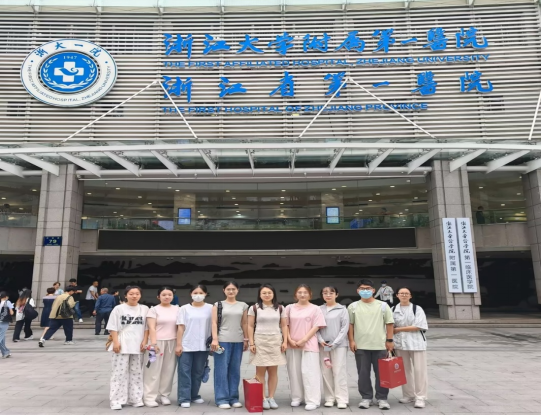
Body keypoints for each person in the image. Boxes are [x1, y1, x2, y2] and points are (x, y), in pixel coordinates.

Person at [348, 279, 394, 410]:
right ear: (357, 291)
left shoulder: (383, 306)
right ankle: (366, 397)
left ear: (373, 290)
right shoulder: (353, 306)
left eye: (368, 288)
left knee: (382, 374)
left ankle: (382, 398)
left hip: (380, 345)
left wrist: (389, 340)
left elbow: (389, 323)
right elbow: (350, 325)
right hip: (361, 346)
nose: (365, 291)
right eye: (362, 288)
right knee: (363, 373)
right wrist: (351, 341)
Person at [107, 286, 149, 411]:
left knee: (137, 372)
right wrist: (116, 342)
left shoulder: (144, 309)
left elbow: (147, 328)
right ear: (125, 295)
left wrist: (145, 341)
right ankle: (116, 400)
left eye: (137, 294)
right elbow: (113, 327)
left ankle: (135, 398)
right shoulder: (118, 309)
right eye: (131, 294)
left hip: (138, 345)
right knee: (119, 373)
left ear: (140, 295)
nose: (134, 296)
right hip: (122, 344)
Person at [284, 284, 326, 411]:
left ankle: (312, 400)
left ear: (310, 294)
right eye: (300, 292)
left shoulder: (316, 309)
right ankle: (297, 397)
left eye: (305, 292)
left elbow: (316, 326)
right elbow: (285, 325)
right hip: (292, 344)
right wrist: (289, 340)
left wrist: (303, 340)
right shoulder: (289, 308)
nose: (302, 295)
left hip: (309, 343)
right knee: (294, 372)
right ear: (295, 294)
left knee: (310, 372)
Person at [247, 284, 288, 410]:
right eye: (264, 293)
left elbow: (284, 326)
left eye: (269, 292)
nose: (267, 295)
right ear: (260, 295)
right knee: (260, 372)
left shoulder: (280, 308)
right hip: (260, 341)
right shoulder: (254, 308)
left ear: (273, 294)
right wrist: (251, 343)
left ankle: (271, 397)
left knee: (273, 371)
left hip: (275, 341)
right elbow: (250, 326)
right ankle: (263, 398)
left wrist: (285, 341)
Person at [211, 281, 249, 409]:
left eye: (233, 289)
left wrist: (246, 339)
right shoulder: (218, 305)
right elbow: (214, 323)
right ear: (224, 290)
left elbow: (244, 323)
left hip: (238, 340)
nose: (231, 291)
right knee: (221, 370)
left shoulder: (243, 305)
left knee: (235, 369)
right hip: (222, 340)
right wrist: (215, 339)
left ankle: (233, 397)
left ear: (237, 290)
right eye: (228, 289)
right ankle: (222, 399)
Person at [176, 284, 213, 408]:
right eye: (195, 293)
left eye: (201, 293)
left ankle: (194, 395)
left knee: (198, 371)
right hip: (186, 344)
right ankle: (184, 398)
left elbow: (214, 325)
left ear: (205, 294)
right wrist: (178, 344)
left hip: (203, 345)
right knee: (184, 372)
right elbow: (180, 327)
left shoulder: (211, 308)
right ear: (191, 294)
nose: (198, 295)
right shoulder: (184, 308)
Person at [392, 287, 429, 409]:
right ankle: (408, 395)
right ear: (397, 295)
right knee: (404, 370)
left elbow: (419, 325)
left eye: (406, 293)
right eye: (401, 293)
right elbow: (389, 325)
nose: (404, 295)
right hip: (400, 344)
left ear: (411, 296)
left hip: (416, 343)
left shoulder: (417, 309)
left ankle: (420, 397)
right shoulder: (393, 309)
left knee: (419, 370)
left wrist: (398, 329)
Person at [143, 286, 179, 407]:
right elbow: (151, 327)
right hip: (156, 343)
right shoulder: (153, 310)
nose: (167, 297)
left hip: (172, 342)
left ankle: (164, 395)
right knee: (152, 371)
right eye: (164, 295)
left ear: (173, 296)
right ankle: (149, 397)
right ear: (158, 297)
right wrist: (153, 343)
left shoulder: (177, 309)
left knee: (168, 370)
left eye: (169, 294)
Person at [317, 286, 349, 409]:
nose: (328, 295)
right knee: (326, 371)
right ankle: (329, 398)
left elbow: (344, 328)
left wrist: (335, 343)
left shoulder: (342, 309)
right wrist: (320, 340)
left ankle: (341, 399)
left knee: (339, 371)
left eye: (331, 292)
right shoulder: (319, 309)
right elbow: (315, 327)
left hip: (339, 346)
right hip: (323, 345)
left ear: (337, 294)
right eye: (325, 293)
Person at [0, 291, 14, 358]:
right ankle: (5, 352)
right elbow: (11, 313)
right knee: (1, 337)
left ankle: (5, 352)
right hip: (4, 322)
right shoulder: (7, 302)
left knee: (2, 338)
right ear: (5, 297)